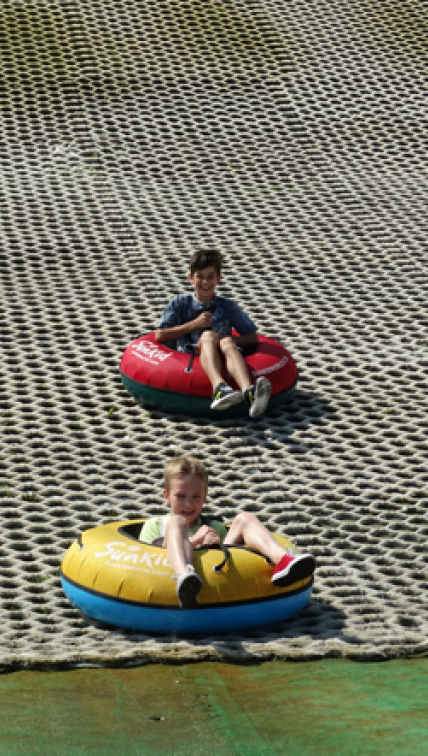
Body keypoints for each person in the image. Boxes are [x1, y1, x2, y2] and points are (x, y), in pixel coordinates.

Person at [139, 455, 316, 608]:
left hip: (218, 586)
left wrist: (215, 546)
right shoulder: (155, 525)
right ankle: (184, 576)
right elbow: (148, 560)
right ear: (167, 496)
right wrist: (195, 541)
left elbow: (227, 559)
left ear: (205, 497)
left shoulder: (214, 527)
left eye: (195, 497)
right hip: (169, 581)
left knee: (245, 518)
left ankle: (283, 560)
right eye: (180, 496)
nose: (188, 504)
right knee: (177, 522)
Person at [155, 248, 271, 417]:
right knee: (208, 336)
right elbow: (160, 335)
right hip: (190, 356)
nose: (205, 281)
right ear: (191, 278)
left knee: (227, 342)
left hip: (223, 354)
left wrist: (224, 339)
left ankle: (249, 391)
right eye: (200, 276)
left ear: (218, 279)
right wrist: (194, 325)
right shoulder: (179, 303)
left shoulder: (227, 306)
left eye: (210, 276)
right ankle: (219, 388)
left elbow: (252, 338)